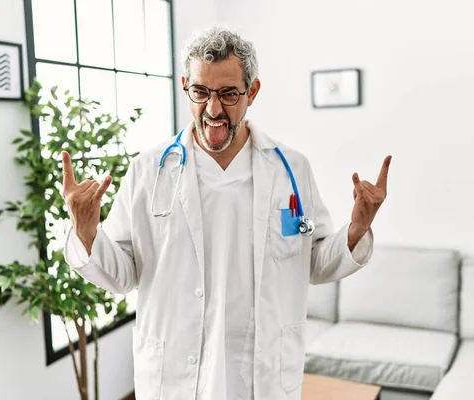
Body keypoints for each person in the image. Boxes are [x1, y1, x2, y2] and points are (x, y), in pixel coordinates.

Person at [61, 26, 392, 400]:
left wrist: (358, 227)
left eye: (229, 94)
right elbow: (121, 275)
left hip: (259, 375)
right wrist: (87, 232)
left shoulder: (290, 169)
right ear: (186, 86)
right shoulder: (147, 170)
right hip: (177, 378)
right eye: (200, 92)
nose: (213, 109)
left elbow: (315, 262)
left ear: (252, 92)